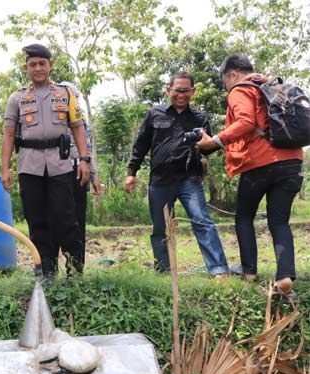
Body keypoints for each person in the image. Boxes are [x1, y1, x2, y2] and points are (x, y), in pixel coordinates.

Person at [197, 54, 304, 298]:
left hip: (260, 162)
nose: (227, 86)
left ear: (232, 74)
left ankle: (249, 272)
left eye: (225, 81)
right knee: (279, 221)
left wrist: (214, 140)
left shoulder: (240, 89)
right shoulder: (272, 85)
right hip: (292, 162)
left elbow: (245, 122)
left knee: (244, 217)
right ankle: (285, 277)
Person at [125, 71, 229, 279]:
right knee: (160, 227)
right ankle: (163, 271)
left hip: (189, 179)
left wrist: (216, 142)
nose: (181, 94)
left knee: (201, 220)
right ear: (168, 90)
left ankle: (218, 270)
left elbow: (207, 148)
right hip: (160, 180)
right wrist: (131, 173)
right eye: (177, 90)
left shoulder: (199, 117)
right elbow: (141, 145)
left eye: (186, 90)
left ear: (193, 91)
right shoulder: (155, 113)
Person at [1, 44, 91, 279]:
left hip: (61, 163)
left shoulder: (66, 93)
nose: (38, 68)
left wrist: (84, 160)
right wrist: (5, 168)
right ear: (26, 68)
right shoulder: (17, 98)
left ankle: (74, 270)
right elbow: (9, 134)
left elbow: (78, 128)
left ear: (50, 65)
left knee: (66, 218)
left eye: (42, 63)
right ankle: (46, 269)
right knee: (37, 219)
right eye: (33, 64)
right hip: (29, 166)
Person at [60, 82, 101, 274]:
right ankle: (49, 269)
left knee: (76, 222)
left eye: (74, 96)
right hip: (55, 172)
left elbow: (88, 150)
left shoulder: (81, 121)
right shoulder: (54, 117)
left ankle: (75, 269)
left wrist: (93, 177)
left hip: (78, 172)